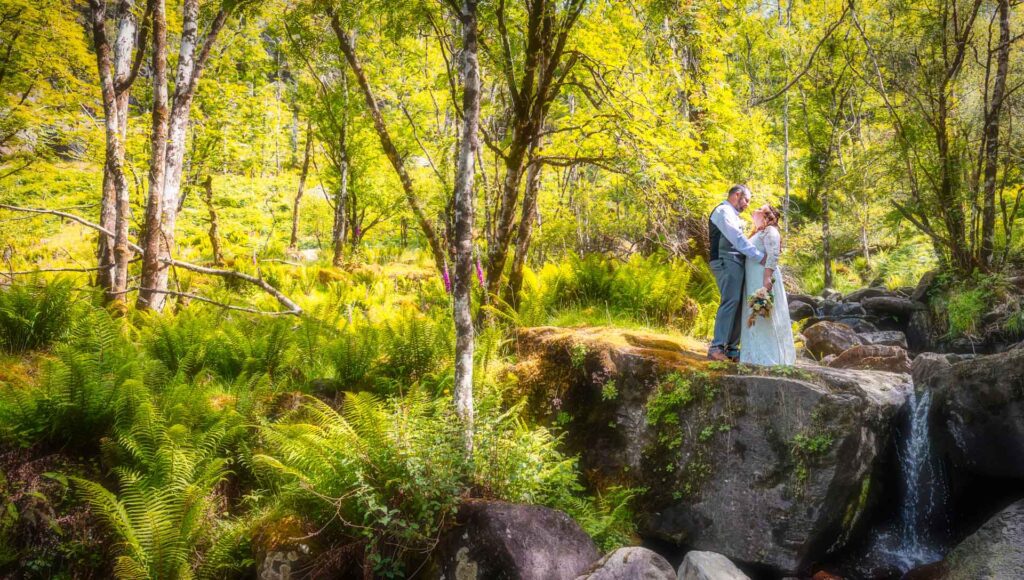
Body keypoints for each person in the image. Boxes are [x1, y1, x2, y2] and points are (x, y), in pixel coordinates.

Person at [707, 185, 765, 362]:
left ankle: (732, 349)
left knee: (739, 304)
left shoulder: (733, 215)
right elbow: (736, 238)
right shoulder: (723, 211)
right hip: (725, 260)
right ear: (737, 195)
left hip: (736, 262)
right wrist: (759, 256)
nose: (747, 204)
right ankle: (716, 347)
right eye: (746, 200)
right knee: (730, 301)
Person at [739, 204, 796, 366]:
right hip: (752, 277)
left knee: (764, 314)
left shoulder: (771, 231)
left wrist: (767, 277)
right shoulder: (758, 232)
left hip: (762, 276)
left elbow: (773, 254)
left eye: (759, 209)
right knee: (753, 311)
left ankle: (770, 356)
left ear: (765, 215)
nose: (754, 210)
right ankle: (753, 354)